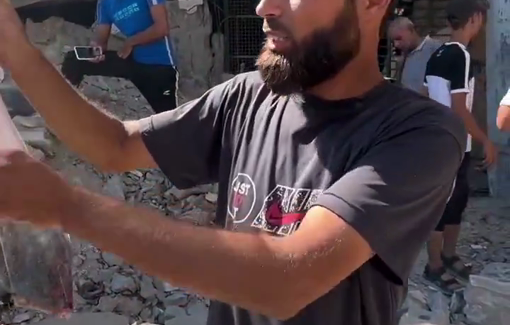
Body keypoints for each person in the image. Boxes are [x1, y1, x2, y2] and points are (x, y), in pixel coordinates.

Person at [0, 0, 466, 324]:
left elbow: (288, 280)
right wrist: (17, 51)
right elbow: (115, 146)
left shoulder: (419, 133)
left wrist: (69, 208)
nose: (264, 7)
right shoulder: (247, 97)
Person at [422, 0, 495, 295]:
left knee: (457, 201)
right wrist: (485, 140)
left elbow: (426, 97)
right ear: (475, 18)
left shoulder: (436, 53)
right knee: (443, 205)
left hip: (445, 142)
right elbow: (459, 108)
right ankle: (434, 266)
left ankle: (449, 256)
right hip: (451, 143)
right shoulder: (460, 55)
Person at [60, 0, 178, 113]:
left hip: (161, 67)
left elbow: (162, 28)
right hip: (132, 61)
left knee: (168, 118)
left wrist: (131, 42)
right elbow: (101, 37)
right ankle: (60, 112)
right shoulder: (105, 3)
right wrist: (97, 48)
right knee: (73, 59)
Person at [388, 17, 443, 93]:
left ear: (411, 30)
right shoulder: (405, 56)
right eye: (393, 41)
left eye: (399, 38)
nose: (396, 44)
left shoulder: (435, 49)